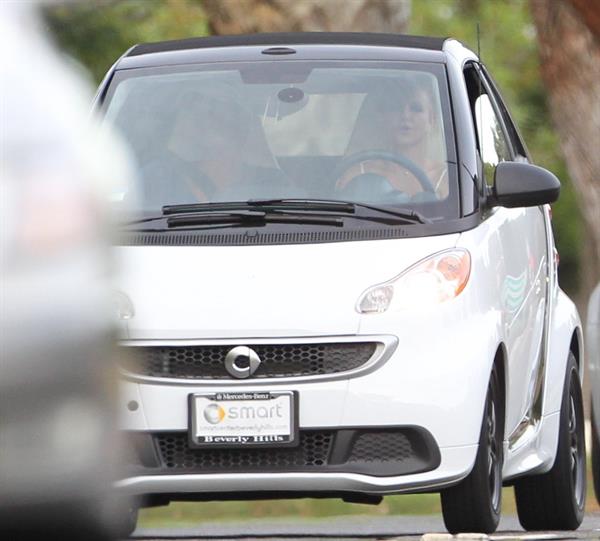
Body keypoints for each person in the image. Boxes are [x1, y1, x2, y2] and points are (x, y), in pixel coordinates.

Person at [142, 92, 290, 207]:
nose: (213, 120)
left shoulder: (270, 180)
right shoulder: (154, 178)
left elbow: (293, 214)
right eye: (200, 114)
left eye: (224, 112)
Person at [337, 77, 449, 200]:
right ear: (383, 117)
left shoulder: (447, 179)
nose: (405, 116)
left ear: (431, 120)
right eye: (396, 107)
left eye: (416, 108)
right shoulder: (358, 173)